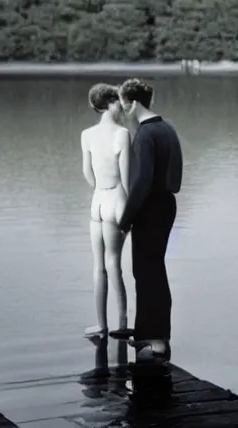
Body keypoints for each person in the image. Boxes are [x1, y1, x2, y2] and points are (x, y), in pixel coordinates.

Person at [116, 78, 183, 361]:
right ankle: (149, 330)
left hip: (151, 206)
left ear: (132, 103)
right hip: (167, 202)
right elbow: (177, 176)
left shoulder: (144, 135)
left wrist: (125, 219)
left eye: (123, 104)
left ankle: (154, 337)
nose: (123, 110)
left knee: (146, 271)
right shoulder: (168, 129)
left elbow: (142, 182)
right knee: (152, 269)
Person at [80, 83, 131, 338]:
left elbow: (87, 174)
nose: (122, 108)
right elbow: (127, 178)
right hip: (116, 201)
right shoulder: (121, 133)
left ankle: (101, 324)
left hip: (97, 203)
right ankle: (122, 325)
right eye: (120, 103)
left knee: (97, 266)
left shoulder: (86, 134)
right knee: (114, 265)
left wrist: (99, 187)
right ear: (111, 103)